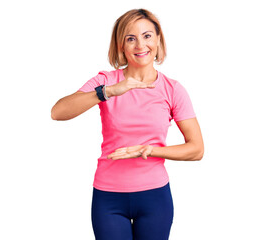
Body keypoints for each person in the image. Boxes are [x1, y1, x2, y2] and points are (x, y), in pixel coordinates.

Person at [51, 8, 204, 240]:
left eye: (147, 36)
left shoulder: (173, 89)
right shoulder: (105, 82)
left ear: (158, 39)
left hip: (155, 197)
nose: (140, 45)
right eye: (130, 38)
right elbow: (58, 112)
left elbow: (196, 149)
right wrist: (109, 92)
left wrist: (151, 151)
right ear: (121, 45)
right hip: (109, 197)